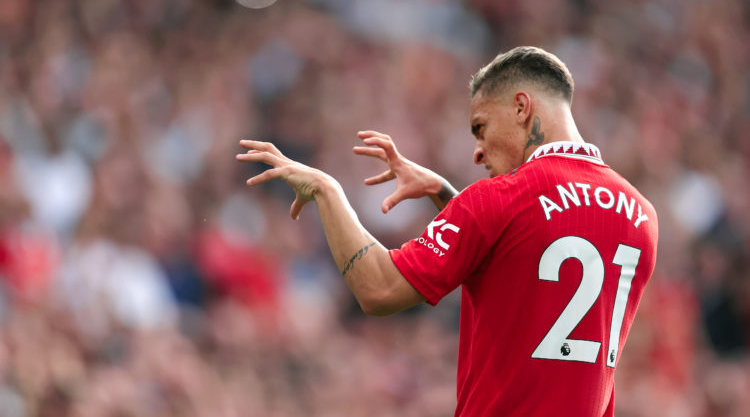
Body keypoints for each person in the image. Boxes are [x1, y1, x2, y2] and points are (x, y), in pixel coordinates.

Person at [236, 46, 658, 416]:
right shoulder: (641, 214)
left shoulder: (498, 199)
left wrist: (328, 192)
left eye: (481, 127)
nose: (477, 151)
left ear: (521, 107)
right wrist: (445, 194)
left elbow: (379, 290)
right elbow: (528, 252)